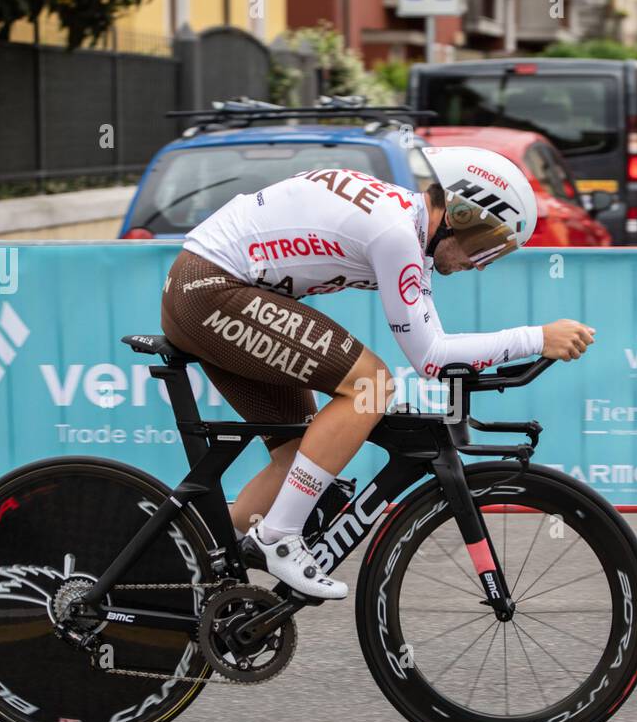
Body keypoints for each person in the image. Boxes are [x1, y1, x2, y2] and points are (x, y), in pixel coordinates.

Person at [160, 146, 595, 599]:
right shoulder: (396, 234)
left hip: (205, 290)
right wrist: (536, 338)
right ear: (462, 214)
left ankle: (200, 580)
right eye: (485, 247)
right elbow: (431, 357)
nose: (476, 264)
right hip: (210, 290)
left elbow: (434, 342)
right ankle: (278, 540)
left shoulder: (404, 223)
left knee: (299, 456)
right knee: (370, 384)